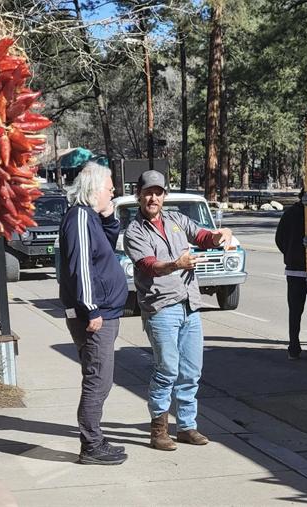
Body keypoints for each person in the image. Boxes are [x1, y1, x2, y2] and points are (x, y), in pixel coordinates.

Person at [124, 170, 233, 451]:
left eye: (158, 193)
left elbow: (203, 236)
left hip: (190, 304)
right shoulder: (135, 231)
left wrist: (221, 235)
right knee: (167, 369)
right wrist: (176, 264)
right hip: (161, 309)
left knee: (191, 371)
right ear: (139, 195)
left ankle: (186, 426)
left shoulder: (176, 219)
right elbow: (149, 266)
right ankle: (159, 430)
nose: (153, 198)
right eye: (148, 192)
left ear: (164, 196)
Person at [59, 162, 129, 465]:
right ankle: (91, 445)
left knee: (101, 378)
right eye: (109, 187)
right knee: (98, 380)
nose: (112, 192)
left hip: (104, 311)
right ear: (93, 189)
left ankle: (95, 438)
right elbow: (81, 268)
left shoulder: (90, 218)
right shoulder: (78, 218)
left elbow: (107, 246)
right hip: (94, 314)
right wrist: (91, 309)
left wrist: (110, 216)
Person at [275, 188, 307, 360]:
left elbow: (279, 239)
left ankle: (293, 348)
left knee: (294, 311)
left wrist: (289, 254)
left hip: (293, 270)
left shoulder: (289, 214)